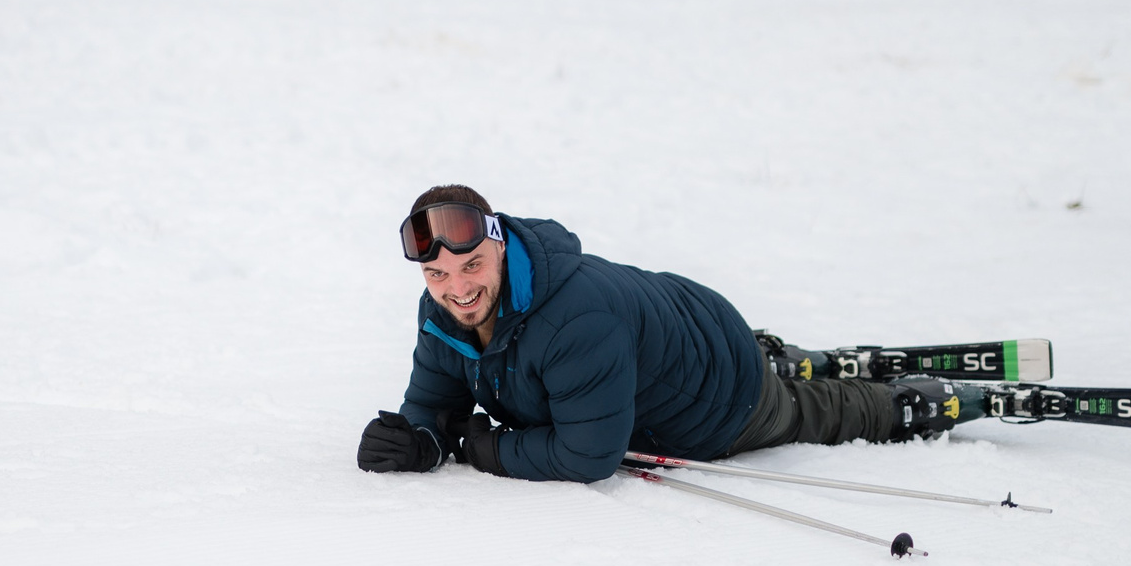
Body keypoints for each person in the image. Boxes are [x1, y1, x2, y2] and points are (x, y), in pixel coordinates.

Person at [355, 185, 979, 480]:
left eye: (470, 266)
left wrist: (479, 449)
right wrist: (417, 442)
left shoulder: (573, 319)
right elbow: (433, 405)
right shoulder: (444, 314)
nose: (457, 288)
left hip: (716, 392)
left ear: (498, 245)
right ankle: (782, 360)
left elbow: (588, 455)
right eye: (437, 274)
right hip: (678, 324)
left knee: (800, 413)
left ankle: (895, 406)